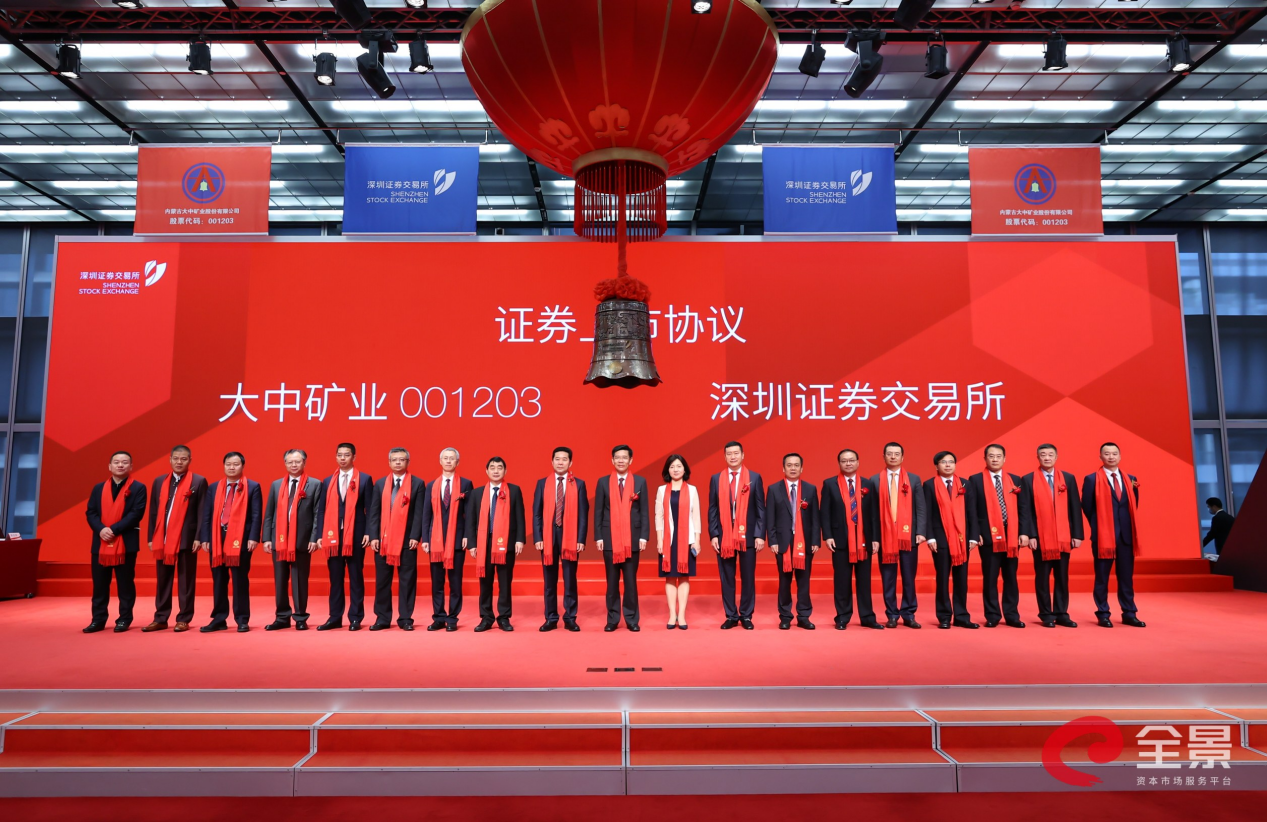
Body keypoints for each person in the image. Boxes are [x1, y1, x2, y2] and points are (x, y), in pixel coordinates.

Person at [143, 445, 207, 633]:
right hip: (162, 538)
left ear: (190, 460)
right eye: (176, 458)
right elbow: (153, 511)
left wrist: (199, 537)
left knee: (186, 581)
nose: (179, 462)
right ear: (170, 460)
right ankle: (160, 618)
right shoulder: (159, 482)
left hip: (187, 538)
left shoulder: (198, 481)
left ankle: (184, 618)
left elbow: (202, 512)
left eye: (184, 459)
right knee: (163, 579)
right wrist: (151, 537)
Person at [1018, 443, 1083, 628]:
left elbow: (1075, 507)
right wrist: (1030, 534)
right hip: (1040, 538)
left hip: (1064, 537)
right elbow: (1025, 510)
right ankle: (1046, 614)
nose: (1047, 458)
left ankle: (1062, 613)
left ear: (1056, 457)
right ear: (1037, 457)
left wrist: (1077, 534)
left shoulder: (1068, 478)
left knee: (1062, 577)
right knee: (1042, 578)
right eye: (1043, 455)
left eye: (1050, 454)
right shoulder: (1028, 479)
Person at [83, 451, 148, 633]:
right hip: (101, 542)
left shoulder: (138, 488)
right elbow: (91, 512)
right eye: (117, 462)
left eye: (125, 462)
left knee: (125, 584)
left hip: (126, 543)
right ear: (109, 466)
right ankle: (98, 620)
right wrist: (101, 529)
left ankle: (124, 619)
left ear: (131, 466)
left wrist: (113, 529)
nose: (120, 465)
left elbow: (136, 514)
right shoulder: (98, 488)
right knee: (99, 585)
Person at [199, 452, 263, 633]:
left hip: (241, 539)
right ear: (224, 466)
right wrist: (205, 538)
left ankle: (242, 619)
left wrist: (253, 537)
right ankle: (219, 619)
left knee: (239, 580)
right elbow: (207, 515)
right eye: (228, 464)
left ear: (242, 466)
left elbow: (256, 514)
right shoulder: (214, 487)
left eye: (235, 464)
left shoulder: (253, 487)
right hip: (217, 538)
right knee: (219, 580)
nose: (232, 467)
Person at [1082, 442, 1145, 628]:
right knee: (1102, 578)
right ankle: (1103, 613)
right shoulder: (1091, 479)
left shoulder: (1130, 479)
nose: (1111, 457)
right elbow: (1087, 507)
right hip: (1103, 536)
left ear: (1120, 456)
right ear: (1100, 457)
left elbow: (1134, 504)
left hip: (1126, 536)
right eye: (1107, 453)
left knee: (1126, 577)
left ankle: (1129, 613)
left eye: (1114, 453)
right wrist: (1100, 526)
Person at [820, 449, 883, 630]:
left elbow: (874, 513)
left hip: (864, 539)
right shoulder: (830, 484)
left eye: (851, 460)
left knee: (864, 581)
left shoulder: (868, 484)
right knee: (842, 581)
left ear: (858, 462)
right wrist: (828, 536)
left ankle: (867, 617)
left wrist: (875, 538)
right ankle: (842, 617)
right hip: (840, 540)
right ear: (839, 463)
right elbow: (825, 512)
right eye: (844, 461)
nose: (848, 463)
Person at [707, 440, 766, 630]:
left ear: (743, 455)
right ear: (725, 457)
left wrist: (759, 534)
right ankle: (731, 615)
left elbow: (760, 508)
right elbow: (712, 509)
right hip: (724, 535)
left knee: (748, 577)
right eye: (729, 454)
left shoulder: (754, 478)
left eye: (736, 453)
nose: (733, 457)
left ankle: (746, 615)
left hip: (747, 535)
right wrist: (714, 534)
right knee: (727, 577)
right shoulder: (716, 479)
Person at [262, 449, 323, 632]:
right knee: (280, 580)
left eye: (297, 461)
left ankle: (300, 617)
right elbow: (269, 513)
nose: (293, 465)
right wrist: (267, 538)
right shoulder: (276, 485)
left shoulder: (315, 484)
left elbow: (317, 514)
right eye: (290, 462)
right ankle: (282, 617)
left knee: (300, 580)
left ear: (304, 462)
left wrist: (314, 538)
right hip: (279, 539)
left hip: (302, 540)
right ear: (285, 464)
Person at [366, 448, 426, 631]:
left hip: (407, 541)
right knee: (382, 581)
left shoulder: (417, 483)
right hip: (383, 541)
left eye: (401, 459)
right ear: (389, 462)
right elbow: (374, 512)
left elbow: (419, 513)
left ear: (408, 462)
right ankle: (382, 618)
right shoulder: (380, 484)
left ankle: (406, 618)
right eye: (394, 460)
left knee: (407, 581)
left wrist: (415, 536)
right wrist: (373, 536)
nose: (398, 462)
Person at [315, 443, 373, 631]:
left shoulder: (364, 479)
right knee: (335, 578)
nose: (342, 458)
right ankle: (335, 617)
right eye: (339, 455)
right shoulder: (328, 481)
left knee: (356, 576)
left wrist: (369, 532)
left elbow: (370, 509)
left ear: (354, 457)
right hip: (332, 535)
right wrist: (320, 534)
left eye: (346, 455)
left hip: (356, 534)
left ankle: (356, 617)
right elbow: (321, 510)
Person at [966, 444, 1024, 629]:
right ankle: (992, 615)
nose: (995, 459)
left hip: (1012, 535)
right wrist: (976, 533)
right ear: (985, 459)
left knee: (1011, 577)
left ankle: (1012, 615)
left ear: (1004, 459)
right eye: (991, 456)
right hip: (988, 536)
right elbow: (972, 509)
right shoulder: (975, 480)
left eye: (999, 456)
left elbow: (1023, 509)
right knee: (990, 577)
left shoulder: (1015, 479)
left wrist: (1023, 532)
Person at [533, 447, 589, 632]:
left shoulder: (579, 484)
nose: (560, 462)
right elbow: (537, 513)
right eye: (557, 459)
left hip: (570, 537)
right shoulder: (542, 484)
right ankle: (550, 618)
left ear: (570, 463)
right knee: (549, 581)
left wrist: (580, 538)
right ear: (552, 461)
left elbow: (583, 514)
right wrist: (538, 537)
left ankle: (570, 617)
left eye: (564, 459)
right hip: (548, 537)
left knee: (570, 579)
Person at [593, 444, 648, 632]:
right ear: (612, 460)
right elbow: (598, 511)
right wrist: (599, 536)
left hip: (632, 539)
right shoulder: (603, 482)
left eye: (625, 457)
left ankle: (632, 619)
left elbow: (644, 511)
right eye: (617, 457)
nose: (621, 460)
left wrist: (644, 536)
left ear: (630, 460)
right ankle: (613, 619)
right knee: (612, 582)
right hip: (609, 539)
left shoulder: (640, 482)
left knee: (630, 582)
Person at [466, 456, 525, 632]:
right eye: (492, 467)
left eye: (499, 467)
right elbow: (470, 520)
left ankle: (504, 617)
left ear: (505, 471)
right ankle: (486, 617)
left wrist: (520, 539)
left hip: (506, 542)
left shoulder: (514, 490)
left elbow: (520, 516)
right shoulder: (477, 493)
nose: (496, 471)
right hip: (484, 542)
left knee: (505, 582)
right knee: (485, 582)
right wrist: (472, 544)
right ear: (486, 471)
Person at [872, 442, 927, 629]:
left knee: (909, 577)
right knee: (888, 578)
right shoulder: (874, 480)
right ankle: (892, 614)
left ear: (903, 457)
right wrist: (875, 538)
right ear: (884, 457)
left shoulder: (913, 479)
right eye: (889, 453)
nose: (893, 457)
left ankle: (909, 614)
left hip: (908, 536)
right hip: (885, 536)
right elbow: (872, 513)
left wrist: (920, 532)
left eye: (897, 454)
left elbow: (921, 507)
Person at [421, 447, 474, 632]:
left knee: (455, 582)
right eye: (445, 458)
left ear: (457, 462)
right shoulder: (431, 485)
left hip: (457, 540)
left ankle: (452, 618)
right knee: (437, 582)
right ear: (440, 461)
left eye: (452, 458)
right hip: (435, 540)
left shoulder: (466, 484)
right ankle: (438, 617)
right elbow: (426, 513)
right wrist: (425, 538)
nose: (449, 461)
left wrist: (467, 535)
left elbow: (470, 513)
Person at [767, 453, 820, 630]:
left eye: (796, 465)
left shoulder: (810, 489)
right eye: (789, 465)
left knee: (804, 581)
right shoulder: (774, 489)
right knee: (784, 581)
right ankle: (785, 616)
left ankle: (804, 616)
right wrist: (772, 540)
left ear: (802, 468)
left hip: (805, 542)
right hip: (782, 542)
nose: (793, 468)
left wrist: (816, 540)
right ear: (783, 468)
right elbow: (770, 517)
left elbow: (815, 517)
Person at [925, 451, 977, 630]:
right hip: (940, 538)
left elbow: (972, 512)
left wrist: (973, 536)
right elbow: (927, 513)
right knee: (942, 579)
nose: (947, 465)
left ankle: (962, 616)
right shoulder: (929, 485)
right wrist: (930, 537)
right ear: (936, 466)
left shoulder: (965, 484)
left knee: (962, 579)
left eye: (951, 462)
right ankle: (944, 616)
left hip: (962, 538)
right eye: (943, 462)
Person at [656, 454, 701, 630]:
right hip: (668, 540)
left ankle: (681, 614)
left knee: (683, 577)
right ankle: (671, 614)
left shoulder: (692, 490)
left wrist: (697, 541)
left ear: (685, 469)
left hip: (687, 541)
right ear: (668, 470)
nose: (675, 469)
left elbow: (696, 517)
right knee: (669, 577)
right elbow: (659, 517)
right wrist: (659, 540)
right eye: (672, 466)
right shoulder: (661, 490)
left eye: (679, 466)